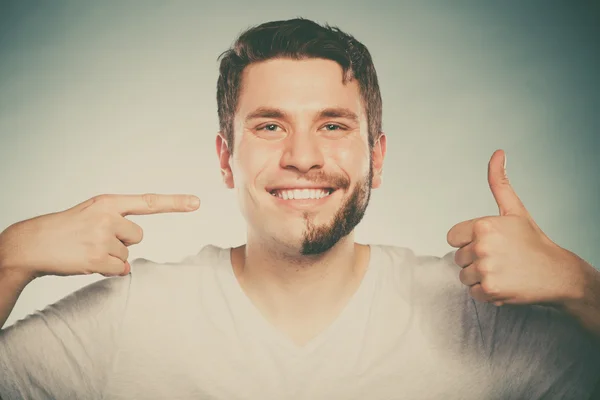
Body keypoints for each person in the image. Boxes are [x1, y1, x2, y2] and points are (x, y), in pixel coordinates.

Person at [0, 18, 599, 400]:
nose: (304, 157)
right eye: (269, 125)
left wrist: (582, 289)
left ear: (378, 157)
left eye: (333, 124)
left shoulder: (480, 322)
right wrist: (10, 260)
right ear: (226, 158)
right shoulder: (125, 319)